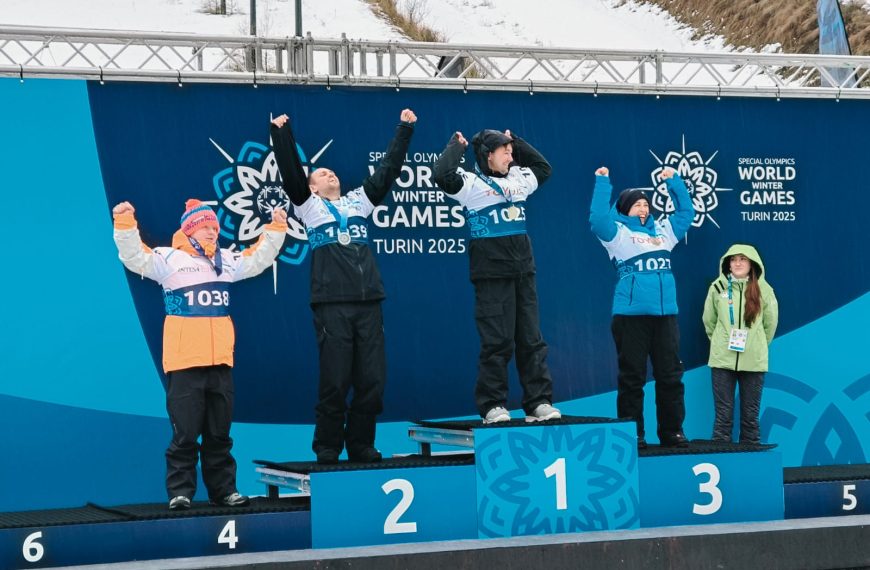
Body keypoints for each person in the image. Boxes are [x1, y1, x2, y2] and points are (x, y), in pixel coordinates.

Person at [112, 199, 287, 509]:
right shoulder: (170, 260)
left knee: (219, 434)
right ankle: (180, 493)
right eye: (205, 226)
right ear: (189, 230)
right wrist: (125, 223)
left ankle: (224, 491)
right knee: (186, 434)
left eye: (215, 227)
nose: (212, 232)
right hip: (184, 362)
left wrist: (276, 228)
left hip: (220, 362)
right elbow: (134, 256)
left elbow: (259, 259)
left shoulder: (226, 261)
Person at [269, 109, 416, 464]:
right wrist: (281, 136)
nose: (330, 173)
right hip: (331, 304)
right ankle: (328, 446)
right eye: (321, 173)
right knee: (335, 380)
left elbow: (387, 172)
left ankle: (361, 444)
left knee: (372, 381)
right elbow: (291, 174)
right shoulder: (309, 207)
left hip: (368, 303)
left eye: (332, 171)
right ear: (313, 187)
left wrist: (405, 130)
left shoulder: (358, 204)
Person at [433, 128, 561, 424]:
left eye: (511, 151)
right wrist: (456, 146)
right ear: (488, 155)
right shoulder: (471, 183)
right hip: (491, 273)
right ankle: (493, 405)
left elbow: (544, 168)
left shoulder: (519, 179)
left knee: (531, 339)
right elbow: (442, 175)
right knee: (497, 341)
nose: (511, 155)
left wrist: (516, 139)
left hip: (523, 272)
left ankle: (539, 402)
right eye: (504, 151)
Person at [589, 166, 693, 448]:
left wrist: (674, 181)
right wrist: (602, 182)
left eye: (646, 204)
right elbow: (598, 219)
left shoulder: (664, 231)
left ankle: (672, 431)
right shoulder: (617, 234)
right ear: (624, 208)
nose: (644, 209)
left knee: (670, 376)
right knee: (632, 377)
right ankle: (633, 434)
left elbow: (686, 213)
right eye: (637, 204)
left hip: (665, 315)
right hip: (631, 316)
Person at [702, 244, 778, 444]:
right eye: (733, 259)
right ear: (727, 263)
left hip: (753, 360)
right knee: (722, 418)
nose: (737, 263)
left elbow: (770, 325)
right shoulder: (717, 287)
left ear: (752, 264)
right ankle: (721, 461)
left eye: (743, 259)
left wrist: (757, 344)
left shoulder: (765, 290)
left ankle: (751, 462)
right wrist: (720, 342)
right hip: (722, 360)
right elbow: (709, 321)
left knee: (750, 418)